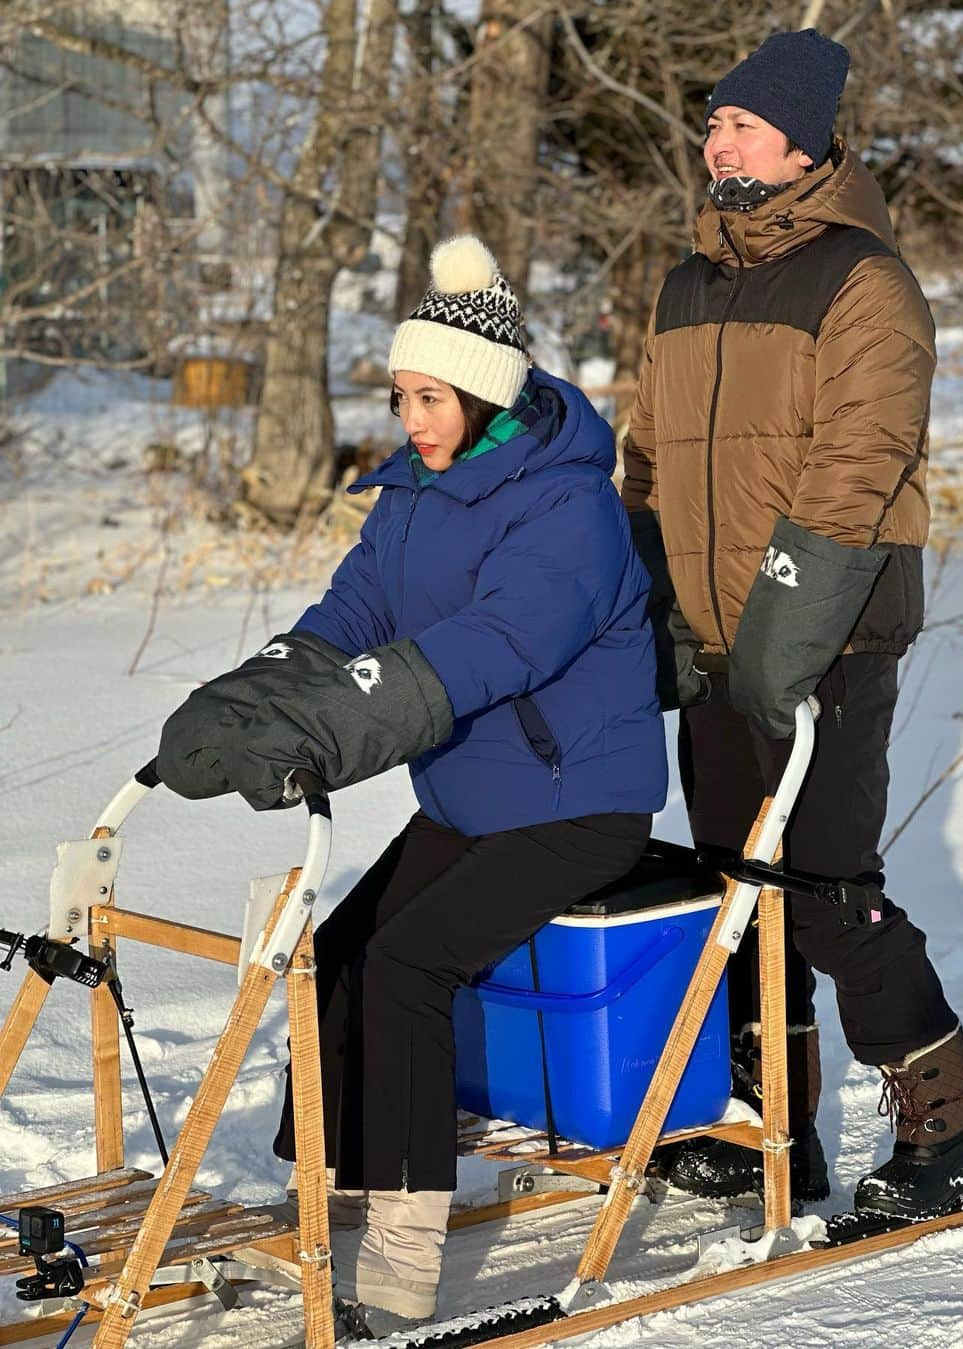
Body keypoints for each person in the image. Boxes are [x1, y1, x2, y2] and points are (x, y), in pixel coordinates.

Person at [156, 234, 667, 1328]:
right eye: (400, 395)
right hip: (474, 796)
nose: (410, 418)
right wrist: (263, 690)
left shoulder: (569, 506)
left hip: (578, 802)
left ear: (484, 396)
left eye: (428, 396)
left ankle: (401, 1246)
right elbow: (354, 614)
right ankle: (332, 1193)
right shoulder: (415, 492)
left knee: (406, 965)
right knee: (338, 951)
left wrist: (338, 726)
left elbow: (493, 645)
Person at [623, 29, 963, 1218]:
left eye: (737, 123)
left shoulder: (866, 283)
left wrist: (786, 632)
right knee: (738, 889)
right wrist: (646, 598)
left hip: (832, 636)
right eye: (712, 122)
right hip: (718, 641)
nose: (712, 140)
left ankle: (943, 1141)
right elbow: (646, 460)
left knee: (830, 891)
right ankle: (773, 1125)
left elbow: (857, 465)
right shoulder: (687, 285)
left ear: (800, 142)